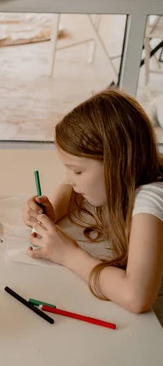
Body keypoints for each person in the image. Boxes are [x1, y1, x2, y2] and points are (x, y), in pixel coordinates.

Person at [22, 89, 163, 322]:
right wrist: (50, 211)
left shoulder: (150, 200)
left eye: (77, 170)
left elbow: (136, 297)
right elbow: (68, 189)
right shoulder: (134, 173)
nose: (68, 178)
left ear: (117, 164)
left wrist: (68, 255)